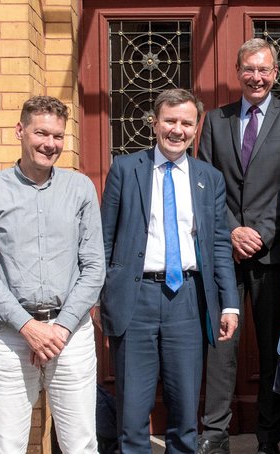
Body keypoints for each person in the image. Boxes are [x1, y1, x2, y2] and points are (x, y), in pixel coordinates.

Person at [100, 88, 240, 454]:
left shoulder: (208, 178)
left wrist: (229, 304)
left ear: (196, 128)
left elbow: (219, 245)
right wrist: (98, 299)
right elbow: (103, 238)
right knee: (131, 416)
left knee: (183, 413)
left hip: (188, 300)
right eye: (170, 121)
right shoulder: (125, 169)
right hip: (136, 299)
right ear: (155, 123)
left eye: (186, 123)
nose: (177, 130)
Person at [0, 95, 105, 453]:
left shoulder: (80, 189)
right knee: (7, 445)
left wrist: (59, 328)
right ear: (20, 131)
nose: (50, 144)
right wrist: (28, 327)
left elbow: (93, 266)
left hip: (69, 335)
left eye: (58, 136)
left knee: (80, 444)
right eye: (41, 133)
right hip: (9, 337)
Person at [197, 37, 280, 454]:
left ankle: (268, 439)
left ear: (276, 73)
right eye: (249, 69)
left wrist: (259, 231)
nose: (257, 77)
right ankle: (215, 435)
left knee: (272, 350)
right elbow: (204, 183)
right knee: (220, 346)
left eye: (264, 69)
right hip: (224, 253)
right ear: (238, 72)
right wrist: (230, 231)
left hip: (272, 254)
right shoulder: (215, 120)